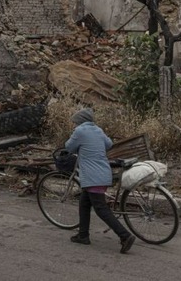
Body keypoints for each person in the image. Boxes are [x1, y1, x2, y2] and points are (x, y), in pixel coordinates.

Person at [64, 107, 136, 254]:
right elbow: (108, 144)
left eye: (75, 122)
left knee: (101, 209)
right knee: (84, 203)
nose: (74, 125)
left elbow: (68, 147)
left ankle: (125, 236)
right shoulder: (98, 130)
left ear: (80, 121)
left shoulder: (80, 131)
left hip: (92, 176)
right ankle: (83, 235)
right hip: (103, 172)